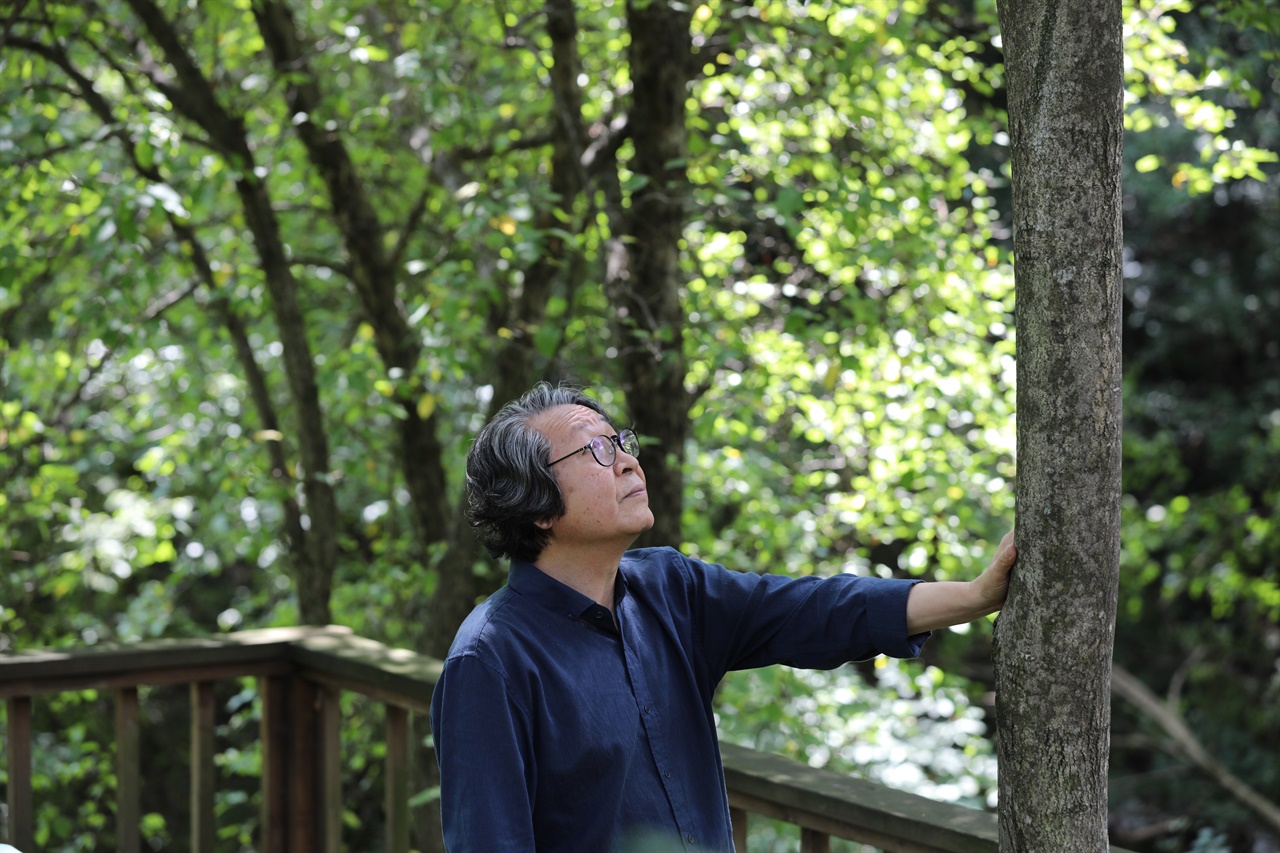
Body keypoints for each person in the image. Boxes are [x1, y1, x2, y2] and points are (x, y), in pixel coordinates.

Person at [430, 382, 1017, 852]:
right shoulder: (491, 661)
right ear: (535, 506)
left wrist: (975, 594)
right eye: (598, 451)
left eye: (624, 443)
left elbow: (813, 609)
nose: (630, 464)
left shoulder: (670, 590)